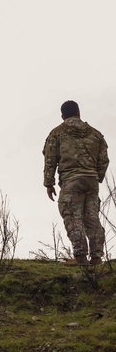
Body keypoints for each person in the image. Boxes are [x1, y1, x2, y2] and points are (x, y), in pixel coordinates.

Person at [43, 100, 109, 265]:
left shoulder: (57, 133)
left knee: (73, 217)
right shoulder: (95, 134)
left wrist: (49, 183)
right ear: (79, 113)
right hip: (91, 181)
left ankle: (80, 257)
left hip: (71, 180)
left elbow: (50, 159)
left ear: (62, 116)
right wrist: (96, 176)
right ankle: (96, 257)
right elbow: (104, 160)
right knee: (92, 218)